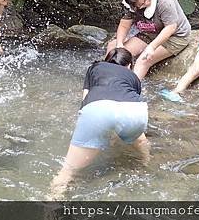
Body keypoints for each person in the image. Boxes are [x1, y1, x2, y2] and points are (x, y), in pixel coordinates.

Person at [50, 48, 149, 197]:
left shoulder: (95, 67)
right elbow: (124, 102)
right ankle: (147, 163)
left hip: (98, 109)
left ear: (106, 60)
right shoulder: (133, 76)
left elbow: (85, 99)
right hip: (135, 111)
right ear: (129, 65)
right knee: (141, 141)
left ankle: (51, 204)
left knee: (68, 170)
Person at [107, 0, 191, 80]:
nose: (145, 4)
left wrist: (152, 47)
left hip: (175, 36)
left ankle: (129, 89)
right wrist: (119, 45)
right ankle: (109, 79)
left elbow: (171, 27)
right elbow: (124, 25)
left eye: (145, 0)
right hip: (151, 33)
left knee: (143, 60)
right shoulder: (132, 4)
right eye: (140, 5)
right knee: (113, 48)